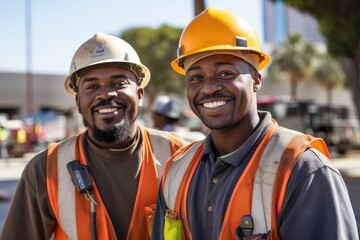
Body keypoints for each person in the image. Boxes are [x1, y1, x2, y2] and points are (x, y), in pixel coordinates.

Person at [152, 7, 359, 240]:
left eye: (225, 73)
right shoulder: (175, 171)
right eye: (196, 77)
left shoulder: (302, 169)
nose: (209, 87)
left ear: (256, 80)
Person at [0, 32, 186, 240]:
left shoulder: (180, 156)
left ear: (140, 96)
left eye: (118, 83)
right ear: (78, 102)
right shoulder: (46, 169)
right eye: (92, 86)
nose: (106, 94)